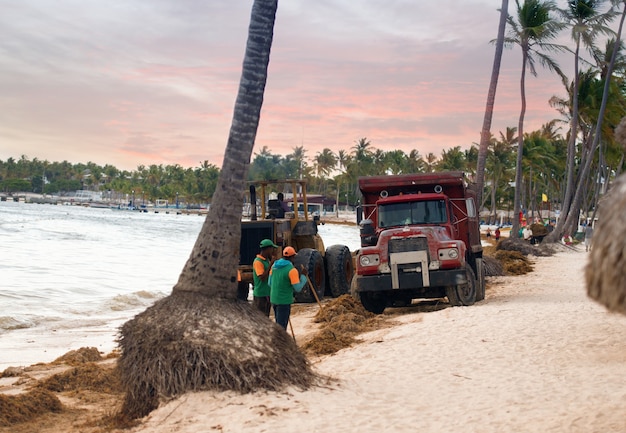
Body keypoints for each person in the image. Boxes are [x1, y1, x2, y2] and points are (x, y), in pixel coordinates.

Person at [269, 246, 307, 330]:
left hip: (274, 299)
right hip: (284, 301)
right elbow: (298, 288)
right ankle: (279, 342)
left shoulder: (274, 266)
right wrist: (303, 277)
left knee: (278, 324)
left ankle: (277, 341)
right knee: (281, 328)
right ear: (293, 257)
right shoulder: (292, 270)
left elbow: (270, 283)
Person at [252, 239, 278, 316]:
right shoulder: (258, 261)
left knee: (266, 317)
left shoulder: (266, 260)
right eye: (272, 249)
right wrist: (271, 264)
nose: (273, 251)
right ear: (268, 249)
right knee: (260, 318)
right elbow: (262, 277)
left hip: (266, 293)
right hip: (260, 294)